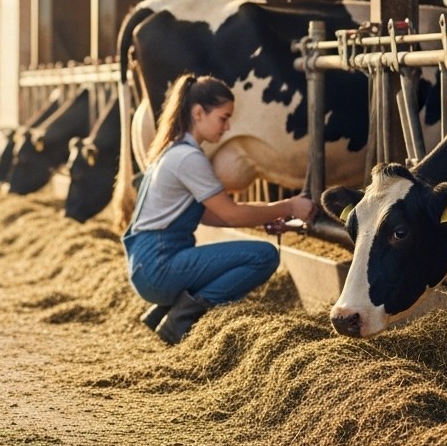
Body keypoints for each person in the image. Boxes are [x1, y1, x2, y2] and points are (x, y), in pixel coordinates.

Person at [122, 74, 314, 344]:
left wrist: (268, 217)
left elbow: (211, 214)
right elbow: (230, 214)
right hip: (159, 265)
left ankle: (163, 312)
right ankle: (181, 318)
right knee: (264, 256)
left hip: (147, 265)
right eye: (223, 118)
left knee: (235, 258)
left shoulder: (173, 151)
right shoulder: (188, 158)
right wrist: (290, 205)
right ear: (198, 113)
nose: (227, 126)